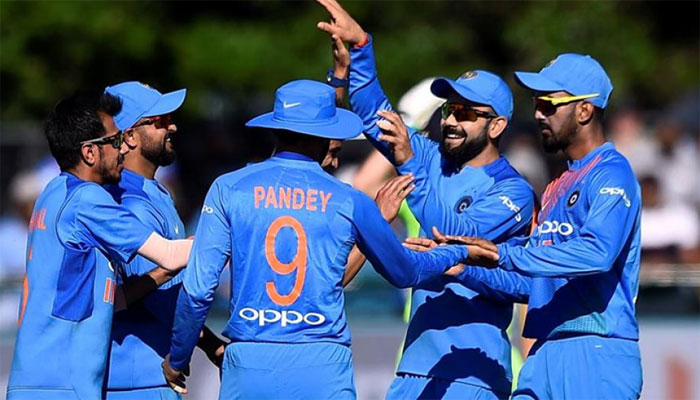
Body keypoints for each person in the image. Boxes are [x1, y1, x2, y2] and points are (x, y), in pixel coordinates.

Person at [162, 79, 496, 399]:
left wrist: (178, 358)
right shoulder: (350, 199)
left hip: (249, 361)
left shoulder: (228, 187)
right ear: (323, 135)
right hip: (322, 365)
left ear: (276, 128)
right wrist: (457, 252)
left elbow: (198, 291)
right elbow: (405, 271)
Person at [317, 1, 536, 398]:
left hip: (472, 373)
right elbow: (374, 115)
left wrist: (407, 163)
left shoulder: (513, 192)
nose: (450, 120)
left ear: (497, 126)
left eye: (466, 112)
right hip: (414, 369)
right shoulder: (432, 159)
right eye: (449, 109)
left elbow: (451, 235)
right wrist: (362, 46)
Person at [453, 54, 644, 399]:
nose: (538, 114)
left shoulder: (612, 172)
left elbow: (598, 253)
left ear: (584, 110)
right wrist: (464, 266)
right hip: (544, 353)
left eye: (548, 105)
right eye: (536, 104)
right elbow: (532, 283)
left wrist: (503, 255)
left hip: (596, 352)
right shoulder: (557, 184)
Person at [7, 91, 193, 400]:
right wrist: (227, 232)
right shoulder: (88, 199)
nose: (123, 149)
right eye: (115, 141)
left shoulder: (52, 193)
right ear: (90, 153)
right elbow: (171, 254)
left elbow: (109, 301)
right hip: (62, 384)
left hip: (39, 381)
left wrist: (158, 275)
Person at [103, 82, 225, 400]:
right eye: (160, 121)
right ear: (130, 136)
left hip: (147, 376)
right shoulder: (130, 203)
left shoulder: (151, 191)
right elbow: (158, 300)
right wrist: (213, 345)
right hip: (137, 381)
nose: (173, 126)